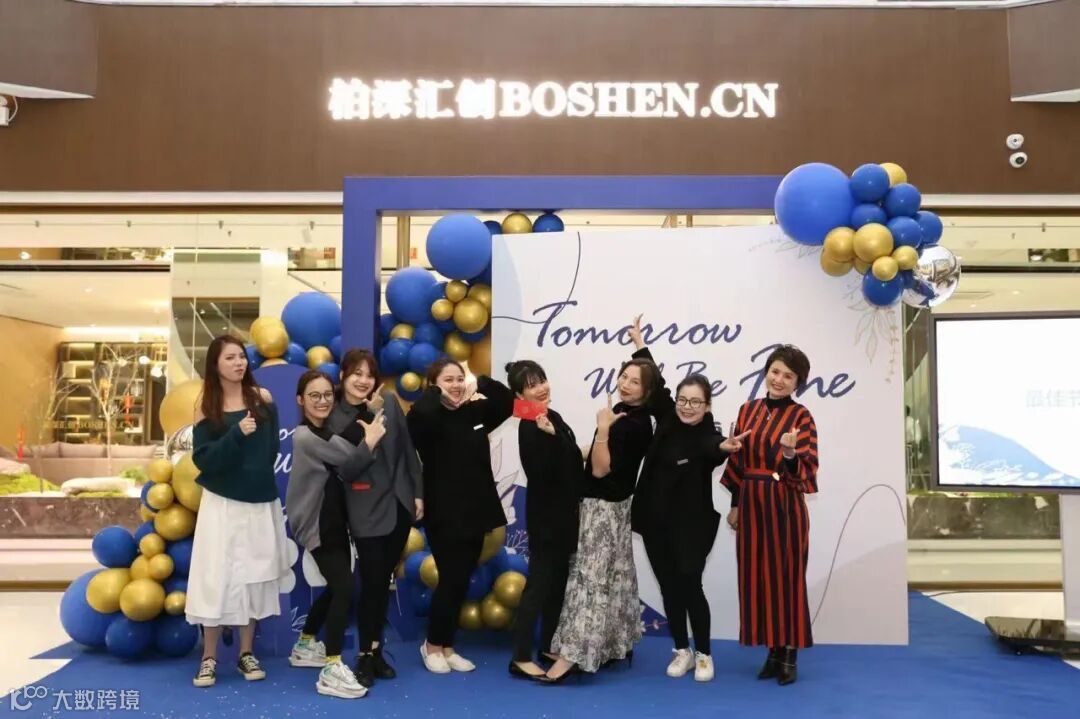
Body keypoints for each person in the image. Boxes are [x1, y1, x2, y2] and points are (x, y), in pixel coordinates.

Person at [546, 322, 660, 681]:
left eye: (635, 381)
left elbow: (599, 469)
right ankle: (612, 644)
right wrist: (564, 447)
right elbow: (593, 456)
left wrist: (604, 428)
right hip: (617, 508)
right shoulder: (637, 416)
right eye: (624, 376)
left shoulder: (627, 423)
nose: (626, 384)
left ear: (646, 390)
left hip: (601, 509)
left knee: (590, 580)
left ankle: (573, 654)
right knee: (615, 574)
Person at [187, 335, 290, 688]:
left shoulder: (263, 399)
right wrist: (236, 434)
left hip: (259, 502)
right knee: (216, 576)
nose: (238, 363)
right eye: (230, 358)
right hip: (221, 503)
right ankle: (209, 657)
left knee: (253, 576)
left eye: (242, 357)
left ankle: (247, 653)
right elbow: (204, 459)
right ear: (215, 364)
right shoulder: (206, 406)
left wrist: (253, 473)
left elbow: (271, 449)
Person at [406, 358, 514, 674]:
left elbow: (507, 403)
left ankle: (448, 646)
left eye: (458, 379)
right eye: (447, 379)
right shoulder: (427, 416)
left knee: (461, 581)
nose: (455, 385)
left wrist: (477, 380)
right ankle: (432, 645)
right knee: (450, 579)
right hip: (444, 512)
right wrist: (435, 392)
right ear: (434, 385)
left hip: (477, 511)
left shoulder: (475, 412)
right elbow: (419, 413)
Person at [721, 345, 819, 686]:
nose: (779, 380)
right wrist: (735, 505)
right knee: (758, 578)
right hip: (750, 503)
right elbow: (737, 461)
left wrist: (790, 454)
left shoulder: (802, 416)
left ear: (798, 383)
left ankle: (790, 654)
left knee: (787, 579)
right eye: (775, 371)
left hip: (784, 506)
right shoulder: (747, 410)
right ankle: (773, 652)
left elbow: (806, 470)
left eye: (788, 376)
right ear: (766, 372)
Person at [325, 349, 423, 687]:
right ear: (342, 376)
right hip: (365, 508)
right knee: (372, 583)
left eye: (369, 374)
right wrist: (368, 425)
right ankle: (365, 655)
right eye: (357, 374)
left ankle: (376, 651)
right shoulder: (334, 416)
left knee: (383, 582)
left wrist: (417, 493)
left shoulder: (390, 402)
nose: (363, 380)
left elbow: (408, 450)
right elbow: (345, 469)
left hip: (399, 504)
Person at [286, 369, 382, 699]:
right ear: (300, 400)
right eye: (314, 395)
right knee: (343, 588)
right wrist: (370, 439)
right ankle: (332, 667)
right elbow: (348, 457)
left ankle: (305, 643)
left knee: (338, 585)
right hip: (318, 524)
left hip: (333, 521)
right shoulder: (305, 437)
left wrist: (367, 412)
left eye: (328, 395)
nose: (323, 401)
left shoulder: (323, 432)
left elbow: (344, 443)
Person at [504, 360, 581, 682]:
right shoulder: (528, 425)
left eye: (542, 380)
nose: (541, 388)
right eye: (532, 385)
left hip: (565, 515)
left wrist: (556, 437)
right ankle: (520, 656)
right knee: (539, 584)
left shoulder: (552, 416)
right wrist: (553, 439)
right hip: (547, 518)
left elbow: (574, 461)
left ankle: (548, 645)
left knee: (557, 585)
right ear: (520, 395)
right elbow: (546, 472)